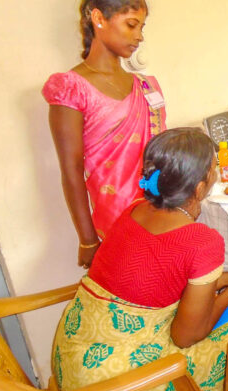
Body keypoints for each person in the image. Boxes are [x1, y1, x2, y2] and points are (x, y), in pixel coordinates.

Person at [51, 128, 228, 391]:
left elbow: (157, 274)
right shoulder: (202, 241)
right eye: (213, 169)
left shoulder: (134, 210)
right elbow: (186, 337)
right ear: (200, 188)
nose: (215, 175)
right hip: (116, 386)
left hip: (72, 362)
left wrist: (227, 278)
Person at [42, 0, 166, 269]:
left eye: (142, 27)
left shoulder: (146, 85)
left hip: (162, 212)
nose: (139, 36)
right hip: (115, 225)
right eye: (131, 24)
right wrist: (87, 240)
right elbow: (71, 169)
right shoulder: (71, 88)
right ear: (99, 18)